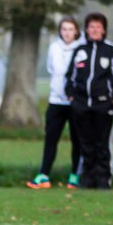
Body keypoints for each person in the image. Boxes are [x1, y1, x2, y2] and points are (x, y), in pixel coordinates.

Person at [65, 12, 113, 190]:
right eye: (91, 27)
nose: (94, 30)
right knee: (85, 143)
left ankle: (103, 179)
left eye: (98, 27)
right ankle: (87, 178)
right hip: (82, 105)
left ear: (104, 30)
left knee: (102, 143)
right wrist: (72, 96)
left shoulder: (111, 50)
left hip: (103, 105)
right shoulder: (80, 51)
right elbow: (71, 76)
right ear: (86, 29)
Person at [28, 16, 84, 189]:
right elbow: (51, 69)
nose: (67, 33)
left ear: (76, 31)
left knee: (77, 141)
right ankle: (43, 175)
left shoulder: (82, 49)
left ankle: (75, 175)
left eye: (70, 29)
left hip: (74, 103)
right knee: (51, 139)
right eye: (64, 29)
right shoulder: (54, 47)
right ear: (60, 31)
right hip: (56, 101)